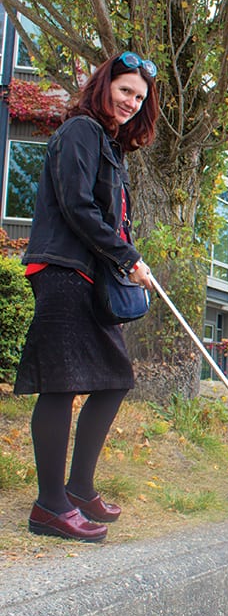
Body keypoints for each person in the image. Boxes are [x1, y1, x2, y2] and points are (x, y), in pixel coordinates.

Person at [14, 52, 159, 542]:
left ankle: (77, 488)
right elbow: (77, 205)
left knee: (114, 378)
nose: (130, 103)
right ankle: (49, 506)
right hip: (62, 271)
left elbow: (108, 214)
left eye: (138, 98)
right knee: (60, 385)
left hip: (90, 275)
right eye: (124, 91)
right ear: (104, 86)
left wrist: (124, 258)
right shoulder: (79, 131)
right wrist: (127, 256)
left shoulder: (109, 146)